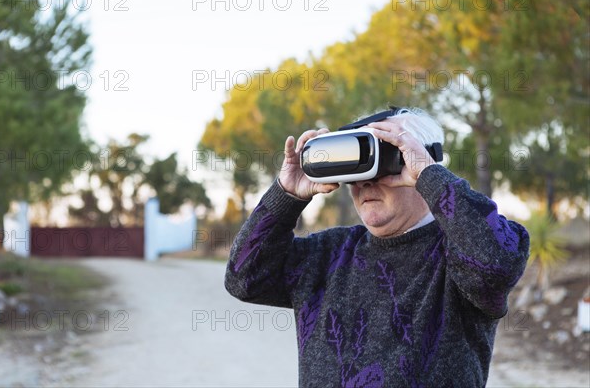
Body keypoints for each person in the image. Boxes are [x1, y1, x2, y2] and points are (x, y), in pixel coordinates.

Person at [224, 108, 530, 387]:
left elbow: (497, 261)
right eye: (357, 169)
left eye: (383, 162)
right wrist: (286, 195)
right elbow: (244, 278)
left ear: (417, 162)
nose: (366, 182)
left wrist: (429, 175)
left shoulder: (457, 254)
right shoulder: (329, 253)